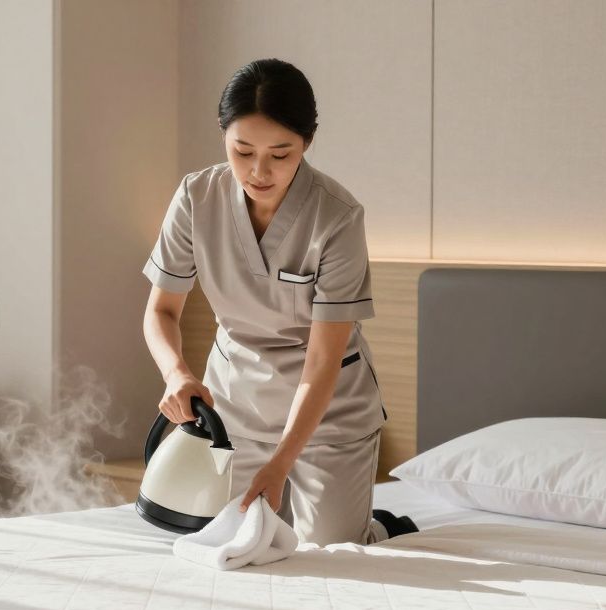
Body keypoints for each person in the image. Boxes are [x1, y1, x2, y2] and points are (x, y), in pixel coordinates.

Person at [141, 58, 416, 546]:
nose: (258, 171)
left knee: (328, 549)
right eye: (241, 151)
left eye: (280, 154)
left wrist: (281, 462)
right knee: (235, 540)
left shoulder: (337, 216)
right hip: (236, 401)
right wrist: (177, 372)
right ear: (224, 135)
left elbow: (322, 358)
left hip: (327, 410)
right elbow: (162, 310)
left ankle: (380, 527)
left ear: (307, 143)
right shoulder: (195, 197)